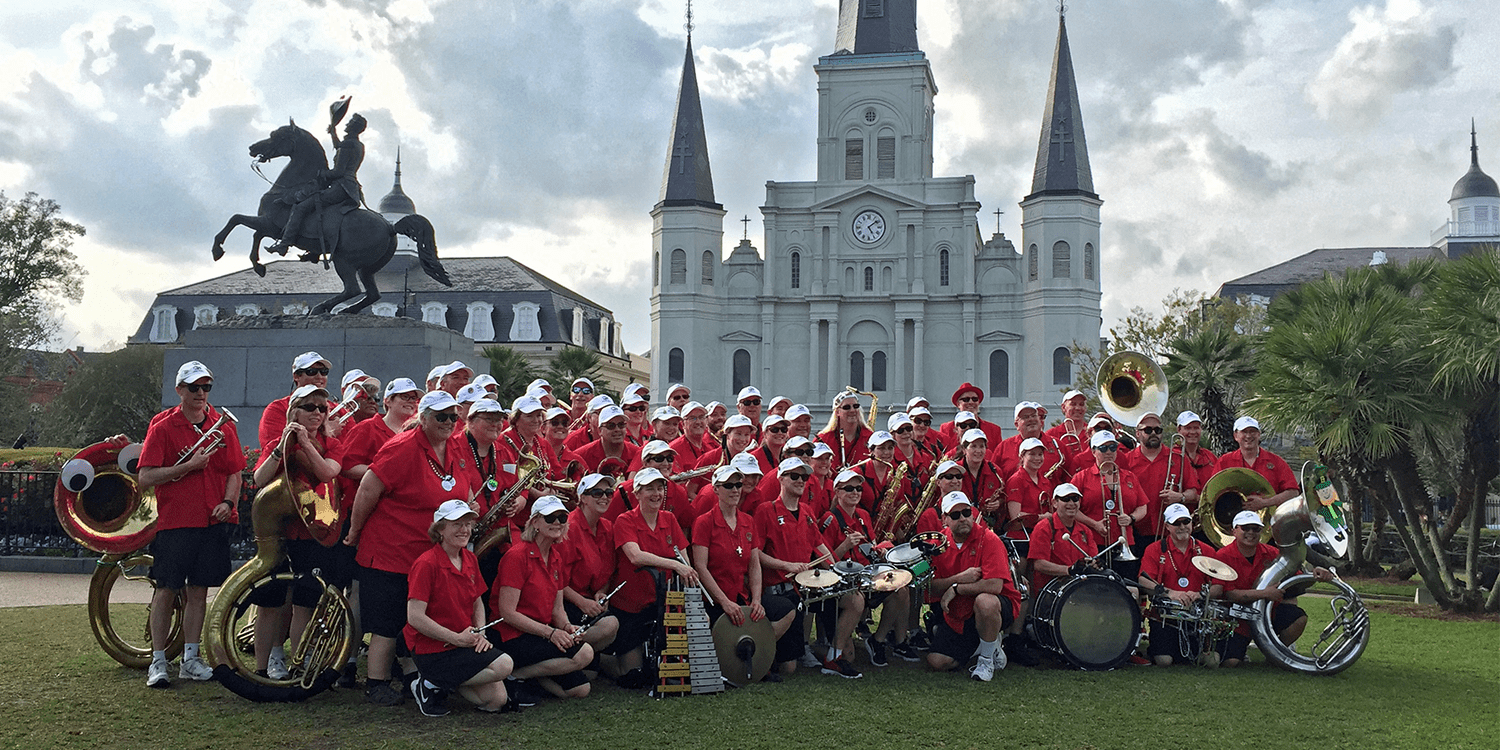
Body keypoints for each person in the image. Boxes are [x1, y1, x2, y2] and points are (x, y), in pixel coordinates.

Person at [345, 390, 473, 706]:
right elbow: (367, 489)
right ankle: (376, 683)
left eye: (453, 416)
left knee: (416, 618)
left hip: (426, 554)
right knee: (387, 622)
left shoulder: (455, 445)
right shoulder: (402, 447)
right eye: (441, 416)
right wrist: (354, 531)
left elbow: (463, 484)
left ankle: (412, 676)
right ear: (424, 417)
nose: (448, 422)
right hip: (391, 550)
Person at [136, 361, 244, 689]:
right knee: (166, 590)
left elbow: (234, 472)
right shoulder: (163, 426)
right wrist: (185, 467)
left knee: (199, 591)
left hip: (211, 519)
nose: (200, 394)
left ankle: (191, 659)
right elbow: (145, 477)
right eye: (194, 387)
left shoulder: (222, 425)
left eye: (206, 387)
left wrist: (228, 503)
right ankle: (157, 661)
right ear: (179, 390)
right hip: (175, 521)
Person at [250, 384, 344, 681]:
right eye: (309, 407)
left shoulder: (332, 444)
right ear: (294, 411)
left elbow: (328, 472)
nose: (317, 413)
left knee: (305, 600)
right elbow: (259, 478)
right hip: (279, 531)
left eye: (322, 408)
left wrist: (306, 442)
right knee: (270, 603)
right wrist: (282, 447)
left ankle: (297, 663)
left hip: (315, 527)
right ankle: (264, 665)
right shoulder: (280, 443)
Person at [404, 500, 514, 716]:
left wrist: (480, 632)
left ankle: (436, 684)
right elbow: (414, 617)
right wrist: (456, 638)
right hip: (433, 648)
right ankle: (430, 682)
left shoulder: (470, 558)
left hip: (463, 642)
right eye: (457, 524)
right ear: (440, 529)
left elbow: (477, 601)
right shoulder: (426, 564)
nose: (464, 530)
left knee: (496, 701)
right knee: (504, 665)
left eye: (467, 524)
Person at [691, 465, 798, 683]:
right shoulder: (704, 522)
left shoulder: (748, 521)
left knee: (788, 609)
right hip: (714, 599)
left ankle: (757, 656)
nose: (735, 490)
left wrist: (757, 600)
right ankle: (729, 665)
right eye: (728, 485)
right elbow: (701, 568)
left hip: (743, 596)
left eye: (738, 485)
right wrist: (724, 602)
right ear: (716, 489)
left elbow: (754, 564)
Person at [492, 496, 599, 699]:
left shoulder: (555, 556)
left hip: (539, 633)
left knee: (580, 689)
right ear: (535, 522)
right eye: (550, 517)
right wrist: (551, 633)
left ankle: (523, 678)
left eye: (562, 517)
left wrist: (567, 627)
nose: (557, 522)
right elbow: (507, 612)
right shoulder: (516, 556)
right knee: (584, 654)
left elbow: (557, 609)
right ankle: (514, 676)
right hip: (513, 635)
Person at [756, 457, 851, 678]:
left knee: (789, 668)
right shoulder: (765, 510)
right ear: (781, 478)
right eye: (794, 476)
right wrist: (786, 565)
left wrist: (839, 571)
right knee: (787, 667)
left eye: (804, 477)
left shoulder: (807, 511)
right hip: (777, 591)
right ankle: (756, 653)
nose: (801, 480)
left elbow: (821, 548)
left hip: (803, 589)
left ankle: (829, 654)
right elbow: (756, 554)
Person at [607, 468, 697, 688]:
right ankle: (603, 661)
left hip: (662, 603)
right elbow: (636, 557)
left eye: (660, 488)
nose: (656, 494)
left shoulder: (669, 518)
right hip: (631, 606)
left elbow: (685, 559)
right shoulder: (624, 520)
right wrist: (674, 564)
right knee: (633, 676)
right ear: (637, 493)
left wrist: (685, 570)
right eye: (649, 489)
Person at [1210, 511, 1335, 668]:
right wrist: (1264, 593)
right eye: (1245, 528)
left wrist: (1315, 573)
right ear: (1234, 531)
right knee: (1231, 662)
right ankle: (1246, 650)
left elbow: (1297, 577)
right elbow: (1230, 594)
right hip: (1238, 618)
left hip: (1268, 614)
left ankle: (1274, 654)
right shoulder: (1223, 555)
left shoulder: (1271, 552)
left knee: (1299, 618)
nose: (1251, 532)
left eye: (1255, 529)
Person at [820, 468, 916, 666]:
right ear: (837, 492)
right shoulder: (829, 520)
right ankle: (836, 653)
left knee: (901, 589)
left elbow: (870, 546)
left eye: (858, 488)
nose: (855, 492)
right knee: (850, 657)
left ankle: (879, 640)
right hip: (843, 582)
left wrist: (879, 551)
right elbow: (826, 561)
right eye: (848, 488)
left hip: (867, 576)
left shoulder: (863, 515)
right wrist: (845, 545)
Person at [924, 492, 1021, 682]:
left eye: (966, 512)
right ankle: (988, 645)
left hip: (996, 605)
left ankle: (986, 660)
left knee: (985, 601)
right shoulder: (936, 544)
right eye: (955, 515)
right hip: (958, 613)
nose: (962, 518)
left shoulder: (990, 539)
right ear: (944, 519)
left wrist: (956, 588)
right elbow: (930, 588)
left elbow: (994, 585)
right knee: (936, 661)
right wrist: (958, 579)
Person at [267, 112, 367, 261]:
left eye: (349, 122)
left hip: (341, 187)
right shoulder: (357, 144)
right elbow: (339, 147)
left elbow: (339, 171)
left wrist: (323, 174)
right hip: (351, 187)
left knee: (302, 206)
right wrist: (333, 133)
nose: (346, 124)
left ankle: (285, 243)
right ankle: (314, 249)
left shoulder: (348, 145)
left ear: (353, 127)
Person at [1137, 503, 1212, 666]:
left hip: (1197, 615)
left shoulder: (1206, 550)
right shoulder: (1154, 549)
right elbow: (1143, 581)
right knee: (1164, 660)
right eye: (1176, 523)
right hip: (1166, 616)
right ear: (1167, 526)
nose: (1182, 527)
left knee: (1204, 661)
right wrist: (1170, 593)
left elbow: (1219, 584)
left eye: (1186, 521)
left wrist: (1199, 595)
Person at [1117, 412, 1202, 555]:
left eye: (1158, 430)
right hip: (1135, 532)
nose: (1153, 433)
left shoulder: (1178, 458)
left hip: (1170, 531)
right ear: (1137, 433)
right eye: (1148, 430)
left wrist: (1180, 497)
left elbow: (1194, 493)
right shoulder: (1126, 460)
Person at [556, 474, 621, 654]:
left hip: (589, 600)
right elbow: (556, 581)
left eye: (609, 492)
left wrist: (602, 593)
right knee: (610, 625)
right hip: (566, 602)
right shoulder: (569, 528)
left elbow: (609, 572)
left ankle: (576, 655)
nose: (605, 497)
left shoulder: (608, 527)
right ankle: (564, 645)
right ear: (582, 498)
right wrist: (582, 602)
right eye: (597, 493)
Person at [1073, 431, 1147, 581]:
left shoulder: (1129, 476)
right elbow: (1071, 509)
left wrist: (1131, 518)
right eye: (1103, 448)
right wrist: (1094, 524)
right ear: (1094, 451)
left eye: (1113, 448)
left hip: (1125, 541)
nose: (1109, 452)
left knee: (1127, 586)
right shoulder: (1081, 477)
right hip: (1094, 542)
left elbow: (1142, 506)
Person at [1212, 417, 1300, 512]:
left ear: (1259, 435)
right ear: (1236, 436)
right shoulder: (1224, 461)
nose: (1249, 436)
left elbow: (1293, 492)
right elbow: (1213, 491)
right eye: (1244, 432)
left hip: (1269, 522)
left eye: (1252, 431)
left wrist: (1265, 503)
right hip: (1234, 521)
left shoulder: (1276, 461)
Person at [1027, 484, 1100, 592]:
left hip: (1081, 587)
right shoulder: (1043, 528)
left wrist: (1096, 563)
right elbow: (1039, 564)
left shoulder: (1085, 531)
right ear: (1054, 503)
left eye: (1075, 499)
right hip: (1052, 590)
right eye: (1066, 499)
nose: (1071, 503)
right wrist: (1069, 570)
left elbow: (1092, 558)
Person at [260, 352, 333, 451]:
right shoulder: (276, 409)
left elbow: (348, 450)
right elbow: (277, 450)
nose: (319, 376)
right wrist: (329, 435)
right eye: (311, 372)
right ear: (296, 376)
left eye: (324, 371)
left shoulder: (338, 409)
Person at [1004, 437, 1054, 558]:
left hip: (1042, 535)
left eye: (1040, 454)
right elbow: (1015, 517)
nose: (1037, 458)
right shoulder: (1016, 480)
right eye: (1032, 454)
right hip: (1022, 538)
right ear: (1022, 457)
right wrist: (1041, 517)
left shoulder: (1046, 482)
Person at [994, 402, 1068, 483]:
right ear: (1016, 424)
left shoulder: (1057, 445)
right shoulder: (1003, 447)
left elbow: (1069, 476)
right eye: (1025, 417)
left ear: (1040, 420)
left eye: (1034, 415)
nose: (1031, 419)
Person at [852, 431, 912, 521]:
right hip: (861, 524)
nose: (887, 452)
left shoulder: (897, 473)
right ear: (871, 451)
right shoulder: (857, 473)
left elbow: (899, 501)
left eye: (890, 448)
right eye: (881, 448)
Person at [956, 429, 1004, 529]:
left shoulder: (995, 471)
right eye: (973, 446)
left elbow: (1003, 497)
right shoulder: (954, 471)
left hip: (987, 524)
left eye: (982, 446)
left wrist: (998, 503)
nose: (978, 451)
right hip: (960, 522)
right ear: (964, 449)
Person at [576, 405, 642, 474]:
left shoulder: (637, 454)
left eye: (621, 424)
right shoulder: (581, 456)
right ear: (599, 431)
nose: (617, 429)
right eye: (611, 425)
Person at [818, 391, 872, 470]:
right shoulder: (823, 439)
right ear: (837, 412)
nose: (852, 410)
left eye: (856, 406)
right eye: (847, 407)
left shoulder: (870, 437)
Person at [939, 383, 1004, 447]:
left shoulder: (994, 430)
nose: (971, 402)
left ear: (978, 402)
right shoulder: (946, 429)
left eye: (974, 399)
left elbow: (997, 456)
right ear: (958, 404)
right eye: (966, 399)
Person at [1174, 411, 1216, 509]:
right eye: (1188, 428)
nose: (1192, 432)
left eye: (1196, 428)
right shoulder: (1171, 456)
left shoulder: (1210, 456)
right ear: (1179, 430)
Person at [1043, 389, 1090, 458]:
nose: (1077, 408)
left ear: (1085, 408)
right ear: (1063, 407)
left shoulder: (1092, 432)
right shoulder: (1051, 434)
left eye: (1081, 404)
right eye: (1073, 404)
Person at [669, 401, 711, 474]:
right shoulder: (674, 450)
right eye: (692, 418)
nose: (698, 422)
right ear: (682, 423)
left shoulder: (710, 448)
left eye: (701, 417)